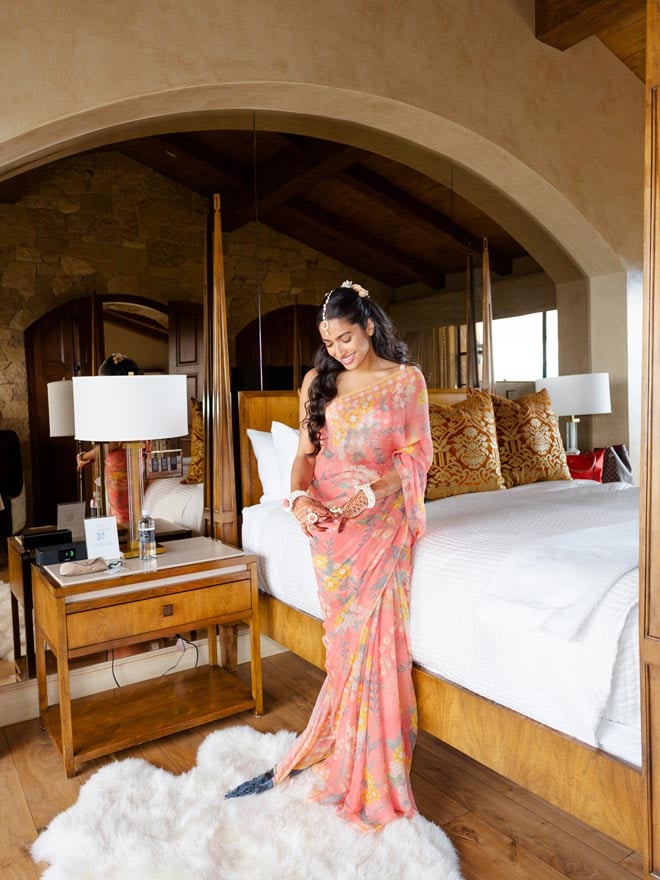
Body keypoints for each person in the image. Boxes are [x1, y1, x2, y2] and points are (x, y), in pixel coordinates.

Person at [226, 280, 433, 831]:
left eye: (347, 337)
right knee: (345, 647)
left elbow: (417, 457)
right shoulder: (318, 382)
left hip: (380, 523)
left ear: (368, 325)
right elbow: (304, 455)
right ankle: (345, 746)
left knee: (378, 643)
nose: (339, 349)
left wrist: (375, 493)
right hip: (329, 530)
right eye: (330, 341)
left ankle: (377, 771)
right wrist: (296, 501)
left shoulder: (405, 381)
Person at [76, 353, 140, 524]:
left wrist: (85, 456)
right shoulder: (135, 402)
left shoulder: (120, 405)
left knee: (121, 515)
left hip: (121, 467)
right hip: (130, 462)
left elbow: (112, 443)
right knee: (122, 513)